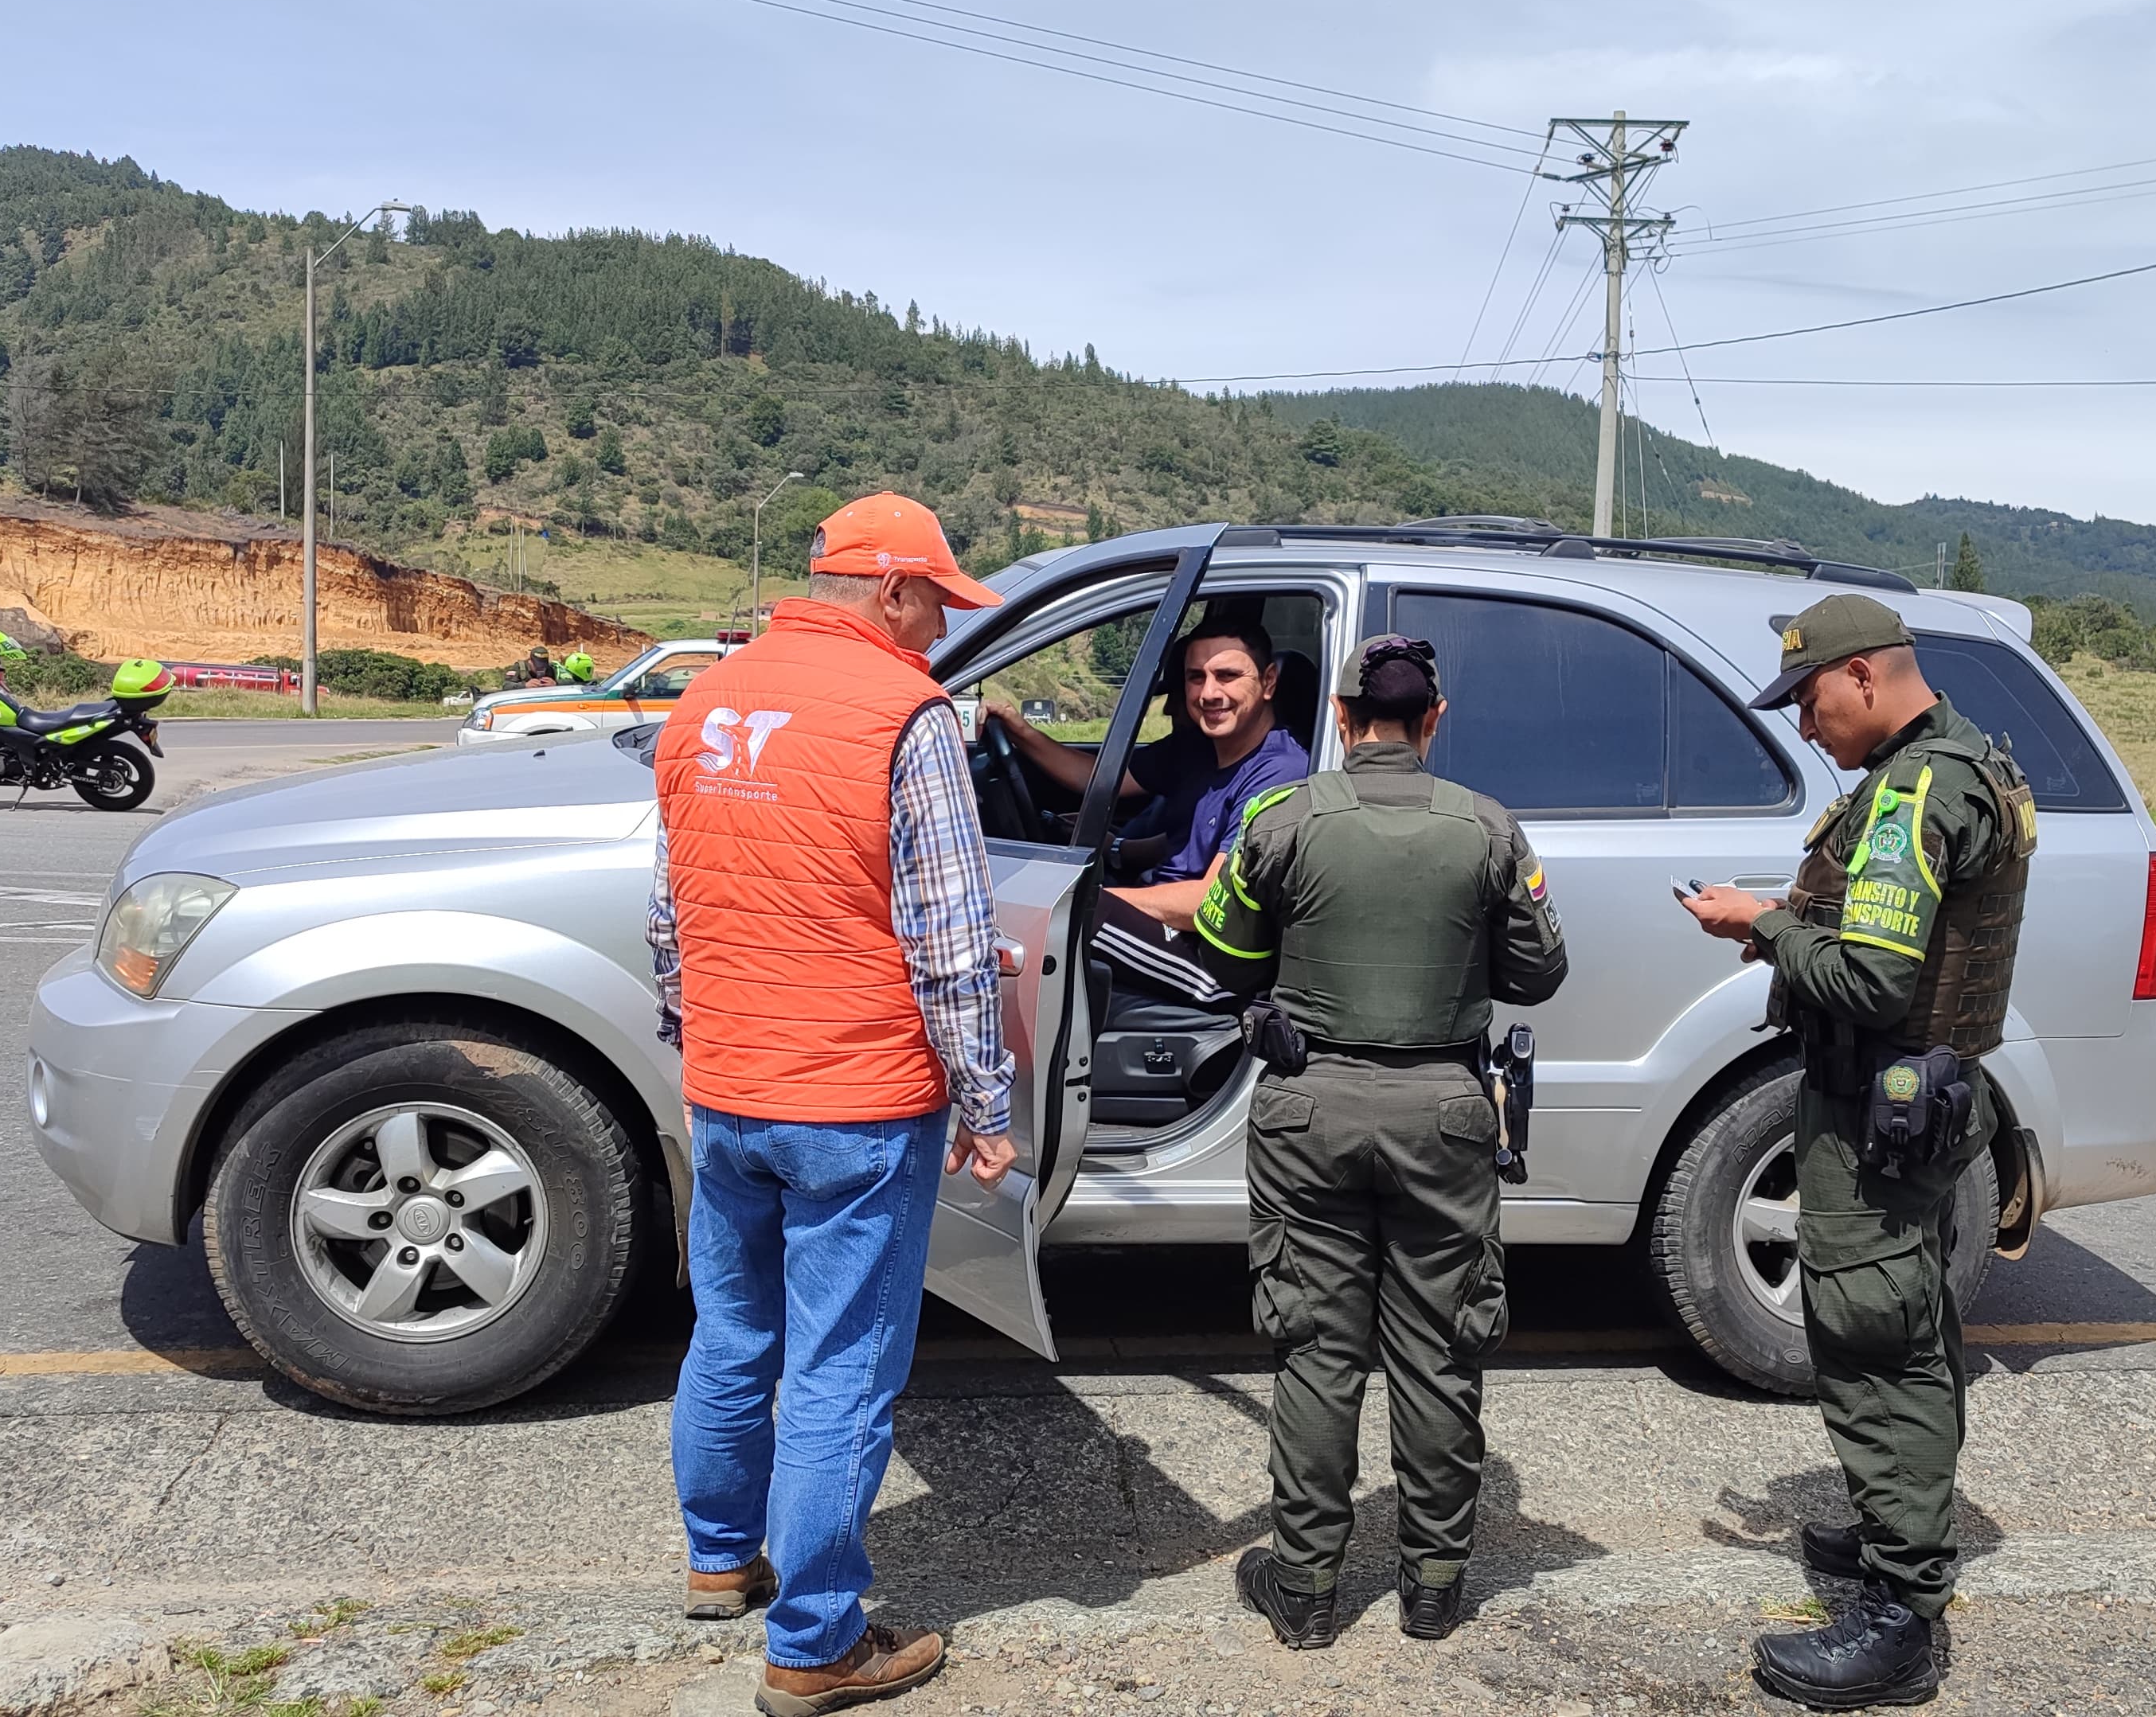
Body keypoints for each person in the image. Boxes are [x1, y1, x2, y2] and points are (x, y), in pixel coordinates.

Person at [645, 491, 1017, 1716]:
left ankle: (718, 1559)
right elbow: (953, 939)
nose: (937, 635)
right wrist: (986, 1099)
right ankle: (816, 1645)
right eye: (936, 608)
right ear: (897, 590)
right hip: (858, 1098)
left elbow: (672, 917)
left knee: (733, 1333)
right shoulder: (907, 718)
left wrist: (704, 1044)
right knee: (842, 1371)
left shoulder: (704, 700)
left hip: (732, 1089)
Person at [1674, 594, 2036, 1712]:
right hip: (1920, 1101)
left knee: (1873, 1337)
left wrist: (1761, 927)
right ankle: (1897, 1539)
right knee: (1911, 1327)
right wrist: (1796, 908)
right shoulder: (1962, 763)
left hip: (1880, 1115)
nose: (1806, 722)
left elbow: (1875, 982)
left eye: (1813, 699)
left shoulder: (1918, 790)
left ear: (1869, 678)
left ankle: (1901, 1622)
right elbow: (1896, 941)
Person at [1192, 634, 1568, 1649]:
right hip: (1444, 1109)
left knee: (1317, 1347)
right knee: (1440, 1349)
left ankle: (1307, 1588)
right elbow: (1540, 972)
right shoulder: (1487, 827)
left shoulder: (1282, 816)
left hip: (1308, 1109)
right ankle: (1435, 1585)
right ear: (1433, 720)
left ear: (1345, 719)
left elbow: (1223, 945)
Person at [985, 616, 1309, 1009]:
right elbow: (1097, 780)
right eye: (1195, 677)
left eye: (1227, 676)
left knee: (1066, 910)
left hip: (1215, 960)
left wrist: (1101, 902)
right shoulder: (1196, 749)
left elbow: (1209, 900)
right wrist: (1020, 730)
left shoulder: (1280, 772)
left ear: (1269, 682)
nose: (1208, 693)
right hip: (1170, 919)